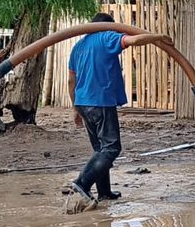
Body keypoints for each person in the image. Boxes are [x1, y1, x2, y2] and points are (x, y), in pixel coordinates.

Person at [65, 13, 171, 214]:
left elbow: (71, 81)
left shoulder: (78, 47)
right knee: (111, 148)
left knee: (100, 149)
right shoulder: (107, 36)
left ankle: (104, 192)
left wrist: (75, 108)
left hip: (83, 102)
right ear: (108, 25)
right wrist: (158, 37)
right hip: (101, 101)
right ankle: (82, 183)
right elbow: (135, 40)